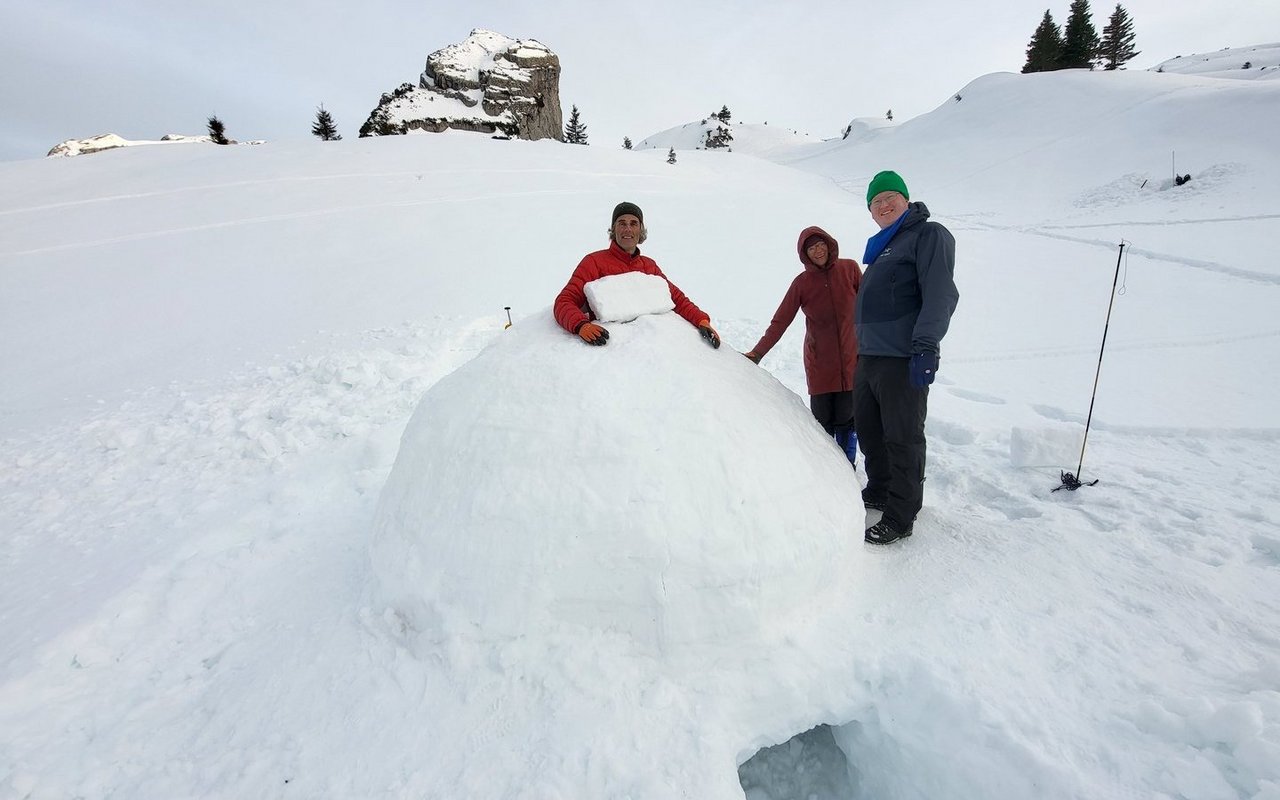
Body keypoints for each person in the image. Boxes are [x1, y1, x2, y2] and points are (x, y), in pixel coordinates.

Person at [856, 171, 959, 545]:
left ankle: (901, 514)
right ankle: (881, 489)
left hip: (902, 357)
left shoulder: (927, 235)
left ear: (904, 199)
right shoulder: (882, 248)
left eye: (889, 197)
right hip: (869, 358)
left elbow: (940, 294)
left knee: (902, 438)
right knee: (870, 433)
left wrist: (926, 346)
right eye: (875, 201)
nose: (883, 205)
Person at [745, 227, 862, 468]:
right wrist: (757, 353)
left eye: (820, 244)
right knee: (822, 423)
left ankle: (847, 468)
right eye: (811, 248)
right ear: (804, 254)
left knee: (847, 420)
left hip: (852, 361)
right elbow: (780, 321)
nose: (817, 250)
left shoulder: (849, 269)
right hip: (820, 365)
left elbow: (870, 307)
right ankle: (825, 471)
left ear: (829, 245)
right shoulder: (802, 283)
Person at [554, 201, 721, 349]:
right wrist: (581, 325)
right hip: (611, 350)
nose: (628, 229)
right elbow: (564, 301)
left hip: (652, 348)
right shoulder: (593, 262)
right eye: (622, 223)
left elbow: (676, 299)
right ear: (614, 229)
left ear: (641, 230)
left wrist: (701, 320)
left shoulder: (648, 266)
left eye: (633, 223)